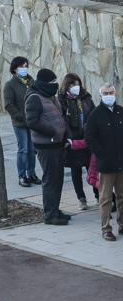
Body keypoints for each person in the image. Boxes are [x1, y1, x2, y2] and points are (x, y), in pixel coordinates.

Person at [27, 68, 71, 225]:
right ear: (44, 83)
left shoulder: (50, 96)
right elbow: (32, 121)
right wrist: (52, 131)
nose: (55, 84)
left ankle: (55, 209)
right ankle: (50, 215)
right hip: (46, 146)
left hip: (57, 144)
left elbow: (59, 116)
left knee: (57, 179)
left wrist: (64, 133)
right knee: (50, 179)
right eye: (52, 82)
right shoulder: (34, 97)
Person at [85, 82, 123, 241]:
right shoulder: (95, 114)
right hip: (106, 165)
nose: (109, 96)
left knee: (122, 196)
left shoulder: (120, 111)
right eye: (106, 93)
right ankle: (106, 228)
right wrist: (102, 155)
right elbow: (90, 138)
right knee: (106, 198)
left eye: (111, 93)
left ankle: (122, 225)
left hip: (121, 163)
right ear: (101, 95)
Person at [61, 72, 97, 211]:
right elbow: (62, 120)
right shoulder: (62, 100)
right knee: (76, 171)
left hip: (87, 138)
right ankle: (81, 199)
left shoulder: (86, 98)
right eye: (72, 84)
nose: (75, 87)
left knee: (92, 168)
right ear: (66, 85)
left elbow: (93, 115)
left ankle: (98, 195)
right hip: (73, 140)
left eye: (77, 84)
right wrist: (70, 138)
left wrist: (88, 131)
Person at [3, 57, 39, 187]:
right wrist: (20, 116)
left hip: (32, 121)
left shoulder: (31, 82)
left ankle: (32, 174)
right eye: (22, 66)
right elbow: (8, 104)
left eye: (26, 66)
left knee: (32, 149)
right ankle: (22, 176)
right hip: (20, 123)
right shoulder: (10, 85)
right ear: (15, 68)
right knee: (23, 149)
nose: (25, 69)